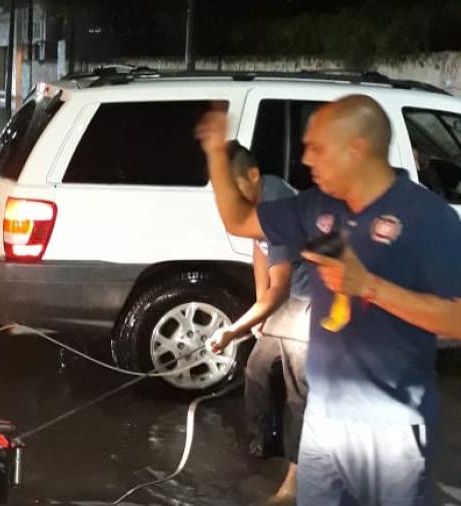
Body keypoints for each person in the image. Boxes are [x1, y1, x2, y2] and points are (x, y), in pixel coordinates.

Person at [195, 95, 461, 505]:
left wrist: (371, 286)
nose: (305, 159)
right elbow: (239, 220)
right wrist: (215, 152)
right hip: (324, 414)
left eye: (317, 147)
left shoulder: (428, 216)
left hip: (391, 427)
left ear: (356, 148)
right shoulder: (317, 208)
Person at [208, 142, 310, 505]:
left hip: (311, 300)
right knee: (257, 368)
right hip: (287, 297)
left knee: (299, 391)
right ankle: (264, 446)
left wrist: (233, 329)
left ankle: (295, 481)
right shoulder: (255, 201)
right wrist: (258, 309)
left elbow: (280, 289)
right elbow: (259, 253)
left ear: (252, 176)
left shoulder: (276, 206)